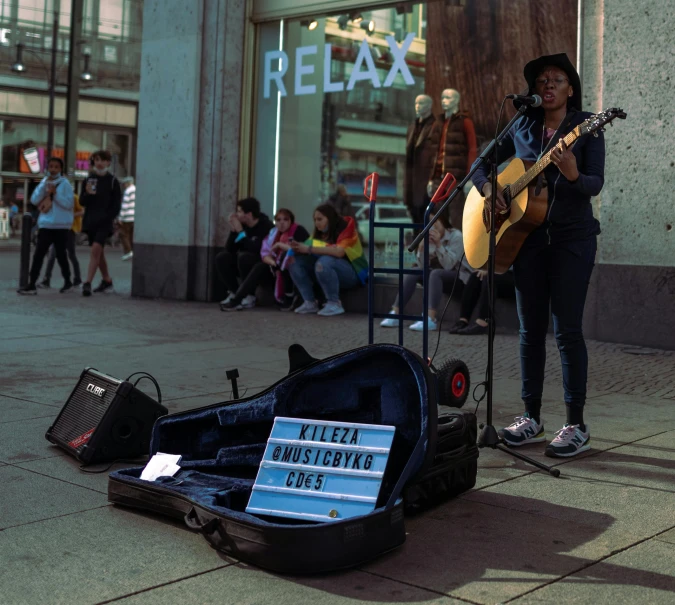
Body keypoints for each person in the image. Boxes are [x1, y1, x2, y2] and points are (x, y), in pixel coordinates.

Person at [471, 53, 604, 458]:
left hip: (572, 241)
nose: (547, 86)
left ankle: (575, 424)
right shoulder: (522, 124)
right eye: (542, 81)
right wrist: (491, 191)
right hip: (527, 241)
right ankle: (530, 417)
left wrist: (573, 175)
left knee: (566, 332)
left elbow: (594, 184)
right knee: (529, 332)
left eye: (556, 80)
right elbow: (479, 165)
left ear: (570, 88)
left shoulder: (586, 129)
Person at [380, 208, 471, 331]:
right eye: (429, 223)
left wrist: (438, 245)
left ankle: (430, 319)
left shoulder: (456, 236)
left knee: (435, 273)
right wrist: (421, 249)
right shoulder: (429, 236)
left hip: (461, 278)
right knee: (414, 271)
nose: (433, 226)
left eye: (436, 222)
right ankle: (396, 313)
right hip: (437, 277)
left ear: (443, 221)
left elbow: (449, 265)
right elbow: (423, 267)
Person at [220, 208, 309, 312]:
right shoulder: (273, 233)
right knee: (259, 265)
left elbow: (304, 250)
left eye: (285, 219)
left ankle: (289, 297)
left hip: (293, 270)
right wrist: (274, 263)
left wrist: (281, 245)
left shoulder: (298, 230)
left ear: (291, 221)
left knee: (286, 258)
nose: (282, 223)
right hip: (275, 270)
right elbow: (265, 253)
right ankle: (237, 300)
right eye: (278, 220)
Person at [288, 204, 368, 316]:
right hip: (325, 271)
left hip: (353, 274)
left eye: (320, 219)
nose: (317, 223)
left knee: (324, 262)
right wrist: (297, 248)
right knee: (294, 262)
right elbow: (308, 247)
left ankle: (334, 303)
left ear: (330, 218)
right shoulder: (319, 233)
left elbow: (339, 252)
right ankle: (310, 302)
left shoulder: (347, 229)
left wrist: (309, 249)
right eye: (315, 220)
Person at [17, 157, 74, 295]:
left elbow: (69, 204)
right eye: (51, 166)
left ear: (61, 169)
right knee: (38, 254)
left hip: (61, 226)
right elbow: (34, 200)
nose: (53, 169)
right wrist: (44, 187)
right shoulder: (44, 182)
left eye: (56, 167)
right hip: (46, 225)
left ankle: (67, 281)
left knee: (61, 255)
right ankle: (32, 284)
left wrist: (55, 195)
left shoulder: (65, 184)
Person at [427, 89, 477, 230]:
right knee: (438, 217)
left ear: (456, 100)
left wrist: (469, 177)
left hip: (456, 178)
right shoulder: (438, 122)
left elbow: (472, 149)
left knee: (456, 215)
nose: (444, 100)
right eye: (442, 97)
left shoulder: (465, 122)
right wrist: (431, 178)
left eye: (448, 98)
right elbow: (434, 152)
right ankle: (440, 249)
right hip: (438, 178)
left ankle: (457, 248)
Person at [215, 197, 273, 309]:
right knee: (222, 257)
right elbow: (229, 249)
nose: (236, 215)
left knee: (244, 257)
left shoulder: (266, 226)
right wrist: (233, 231)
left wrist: (241, 232)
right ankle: (235, 293)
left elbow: (255, 249)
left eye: (239, 211)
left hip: (260, 267)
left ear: (249, 214)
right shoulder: (242, 226)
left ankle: (249, 295)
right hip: (241, 264)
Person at [79, 150, 122, 297]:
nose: (99, 162)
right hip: (91, 221)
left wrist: (108, 218)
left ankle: (87, 283)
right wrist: (87, 193)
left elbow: (116, 205)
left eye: (103, 160)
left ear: (108, 162)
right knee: (99, 252)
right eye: (96, 159)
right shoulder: (89, 180)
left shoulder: (112, 181)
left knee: (95, 250)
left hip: (104, 222)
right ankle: (107, 280)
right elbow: (82, 202)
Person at [448, 268, 515, 335]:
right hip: (501, 273)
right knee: (476, 275)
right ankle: (463, 320)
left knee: (490, 276)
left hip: (518, 277)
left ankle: (483, 321)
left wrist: (491, 270)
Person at [39, 190, 84, 288]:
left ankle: (77, 279)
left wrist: (71, 216)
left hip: (69, 229)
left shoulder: (74, 197)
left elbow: (81, 211)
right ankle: (47, 280)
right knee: (52, 255)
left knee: (71, 254)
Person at [118, 176, 135, 260]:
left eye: (124, 184)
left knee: (123, 234)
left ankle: (128, 251)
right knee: (131, 235)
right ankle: (132, 251)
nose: (124, 185)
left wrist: (120, 217)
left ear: (128, 183)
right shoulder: (136, 190)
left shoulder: (128, 191)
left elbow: (125, 205)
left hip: (127, 217)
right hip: (134, 217)